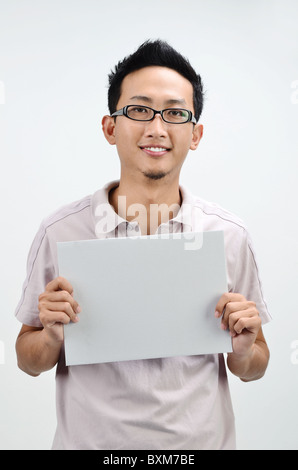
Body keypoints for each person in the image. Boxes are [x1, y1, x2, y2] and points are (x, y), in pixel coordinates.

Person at [15, 39, 271, 450]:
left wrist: (242, 350)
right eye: (138, 110)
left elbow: (255, 364)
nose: (156, 128)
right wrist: (48, 337)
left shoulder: (229, 235)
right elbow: (27, 360)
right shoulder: (60, 232)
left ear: (195, 133)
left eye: (175, 113)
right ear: (110, 127)